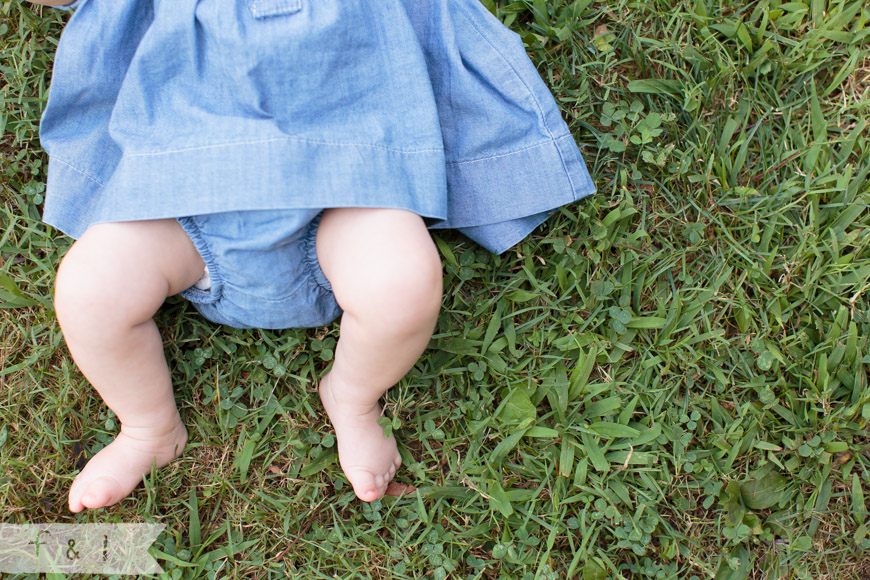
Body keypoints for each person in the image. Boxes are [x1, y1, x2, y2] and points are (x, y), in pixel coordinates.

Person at [28, 0, 596, 512]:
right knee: (88, 289)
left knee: (403, 283)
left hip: (347, 188)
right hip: (178, 192)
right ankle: (147, 428)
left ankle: (352, 398)